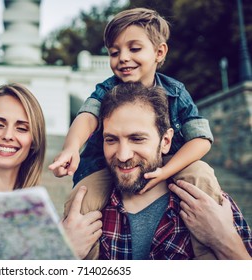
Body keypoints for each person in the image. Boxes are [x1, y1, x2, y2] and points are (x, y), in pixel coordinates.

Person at [49, 8, 222, 210]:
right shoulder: (106, 90)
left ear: (159, 52)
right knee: (82, 198)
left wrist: (166, 171)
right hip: (107, 167)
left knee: (201, 174)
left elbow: (201, 139)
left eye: (134, 49)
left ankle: (212, 234)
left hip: (165, 163)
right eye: (114, 52)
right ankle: (80, 240)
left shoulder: (175, 91)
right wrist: (71, 147)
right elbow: (87, 116)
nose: (123, 57)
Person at [62, 82, 252, 260]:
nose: (123, 155)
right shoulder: (83, 216)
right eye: (111, 140)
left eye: (137, 139)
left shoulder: (210, 204)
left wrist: (225, 241)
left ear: (166, 141)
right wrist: (62, 256)